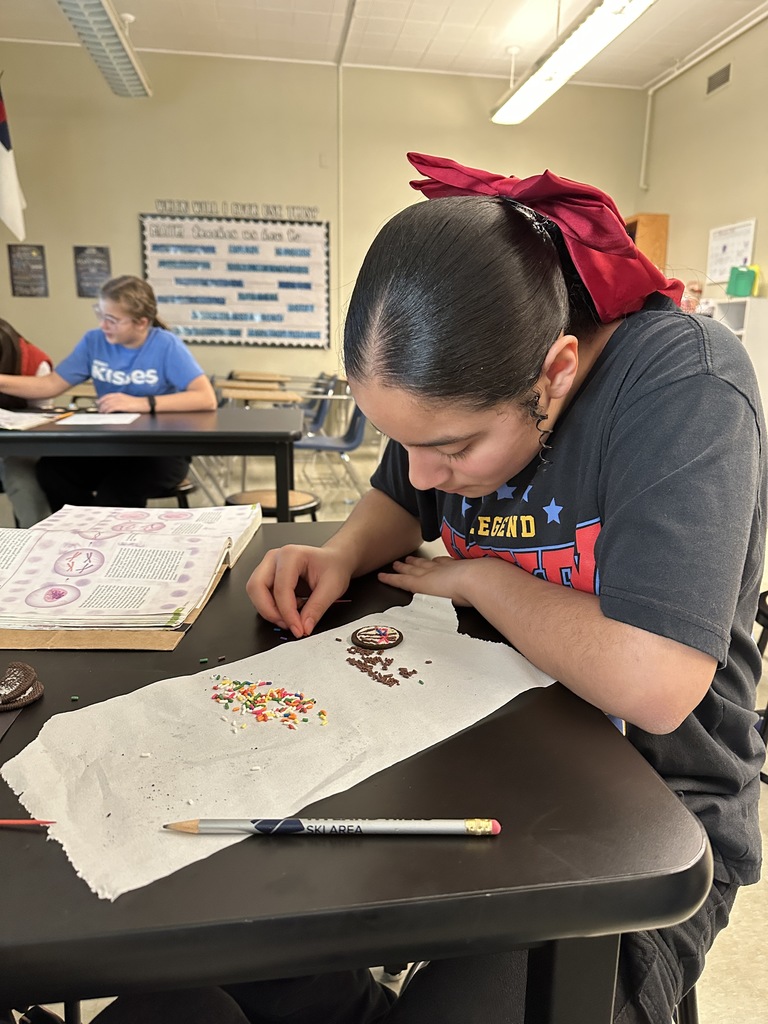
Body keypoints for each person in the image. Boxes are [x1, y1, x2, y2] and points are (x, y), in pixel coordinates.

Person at [79, 154, 765, 1024]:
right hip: (494, 762)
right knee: (222, 943)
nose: (427, 469)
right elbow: (400, 499)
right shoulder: (451, 421)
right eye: (402, 439)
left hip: (649, 818)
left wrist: (482, 577)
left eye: (453, 447)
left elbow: (657, 682)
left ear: (554, 372)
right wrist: (341, 550)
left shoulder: (682, 384)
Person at [0, 276, 217, 510]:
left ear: (141, 322)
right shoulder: (94, 341)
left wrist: (142, 403)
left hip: (159, 450)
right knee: (52, 472)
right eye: (101, 315)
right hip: (111, 444)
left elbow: (206, 398)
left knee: (115, 494)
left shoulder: (166, 346)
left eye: (112, 320)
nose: (103, 325)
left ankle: (106, 538)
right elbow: (50, 385)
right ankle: (80, 531)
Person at [0, 317, 55, 525]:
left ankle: (37, 540)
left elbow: (42, 417)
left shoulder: (34, 362)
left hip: (22, 442)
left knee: (20, 478)